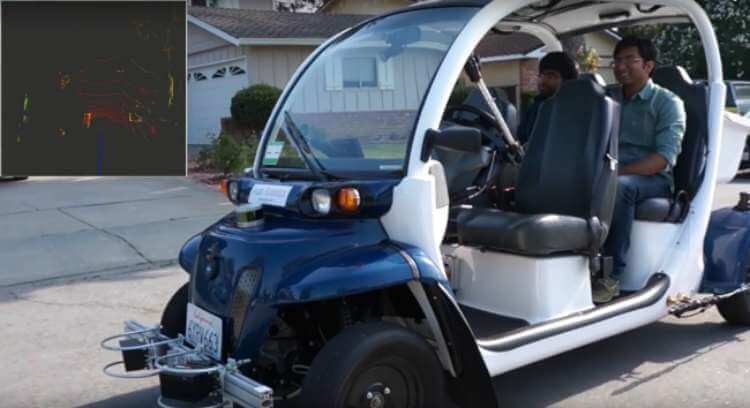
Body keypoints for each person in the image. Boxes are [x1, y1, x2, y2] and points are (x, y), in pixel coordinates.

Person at [594, 36, 687, 303]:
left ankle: (611, 276)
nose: (621, 66)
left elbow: (662, 159)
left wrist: (615, 174)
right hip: (611, 171)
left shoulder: (668, 103)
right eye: (617, 60)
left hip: (653, 179)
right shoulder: (608, 99)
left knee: (619, 188)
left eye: (629, 60)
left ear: (648, 66)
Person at [517, 51, 578, 145]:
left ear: (567, 81)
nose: (542, 81)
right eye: (541, 75)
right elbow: (521, 139)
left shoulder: (576, 110)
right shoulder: (535, 107)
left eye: (551, 75)